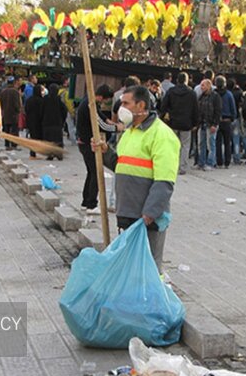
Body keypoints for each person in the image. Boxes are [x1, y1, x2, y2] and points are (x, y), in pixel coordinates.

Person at [95, 85, 180, 273]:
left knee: (148, 268)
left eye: (126, 103)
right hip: (128, 212)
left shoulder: (162, 135)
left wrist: (150, 213)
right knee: (132, 268)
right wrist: (106, 152)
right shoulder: (129, 132)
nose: (121, 107)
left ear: (141, 105)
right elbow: (122, 165)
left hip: (147, 217)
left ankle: (152, 301)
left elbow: (164, 181)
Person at [76, 84, 122, 210]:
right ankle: (91, 204)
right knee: (96, 173)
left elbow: (102, 118)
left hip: (84, 142)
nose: (106, 102)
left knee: (91, 172)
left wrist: (111, 122)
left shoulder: (90, 102)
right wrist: (116, 128)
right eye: (106, 100)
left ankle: (86, 201)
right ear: (101, 97)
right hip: (89, 144)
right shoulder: (90, 105)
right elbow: (101, 124)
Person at [161, 72, 199, 174]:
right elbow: (195, 109)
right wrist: (195, 123)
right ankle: (182, 167)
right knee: (185, 146)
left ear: (177, 80)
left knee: (172, 145)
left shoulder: (171, 91)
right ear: (187, 81)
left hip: (173, 122)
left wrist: (163, 118)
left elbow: (163, 106)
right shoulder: (191, 93)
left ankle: (172, 165)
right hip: (186, 123)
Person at [196, 79, 221, 170]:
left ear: (208, 86)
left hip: (210, 124)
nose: (201, 87)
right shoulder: (201, 97)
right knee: (201, 144)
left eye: (203, 85)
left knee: (210, 144)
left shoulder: (215, 96)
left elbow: (218, 111)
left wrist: (215, 124)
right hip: (202, 123)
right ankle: (201, 162)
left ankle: (211, 163)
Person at [41, 83, 67, 159]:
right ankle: (59, 154)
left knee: (48, 140)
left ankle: (50, 154)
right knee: (58, 139)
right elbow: (64, 111)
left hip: (47, 123)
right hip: (57, 123)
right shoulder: (58, 99)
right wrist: (62, 120)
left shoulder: (45, 99)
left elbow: (41, 110)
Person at [216, 76, 236, 167]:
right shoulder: (229, 94)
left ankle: (219, 161)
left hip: (217, 120)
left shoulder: (214, 94)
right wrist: (233, 118)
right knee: (227, 142)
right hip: (227, 120)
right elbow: (233, 108)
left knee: (218, 142)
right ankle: (227, 161)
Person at [0, 76, 22, 150]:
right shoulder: (15, 92)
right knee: (14, 130)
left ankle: (7, 144)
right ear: (14, 83)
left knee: (7, 130)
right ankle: (14, 144)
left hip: (5, 114)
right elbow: (17, 104)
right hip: (14, 114)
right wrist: (19, 110)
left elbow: (1, 103)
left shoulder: (3, 91)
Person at [24, 83, 45, 160]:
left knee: (33, 137)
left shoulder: (29, 100)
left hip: (30, 121)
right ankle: (37, 152)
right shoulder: (41, 100)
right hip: (39, 121)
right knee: (38, 137)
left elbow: (26, 109)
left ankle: (32, 154)